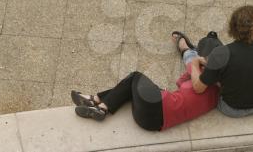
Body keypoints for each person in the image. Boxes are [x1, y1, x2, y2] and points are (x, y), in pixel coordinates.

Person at [71, 31, 219, 131]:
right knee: (134, 88)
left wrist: (194, 63)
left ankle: (100, 104)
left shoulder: (199, 76)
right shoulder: (216, 97)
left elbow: (180, 82)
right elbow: (182, 85)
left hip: (157, 104)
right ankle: (96, 103)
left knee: (135, 77)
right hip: (151, 123)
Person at [191, 5, 253, 118]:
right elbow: (249, 62)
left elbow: (198, 88)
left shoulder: (220, 54)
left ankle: (186, 51)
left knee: (201, 62)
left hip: (231, 108)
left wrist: (194, 64)